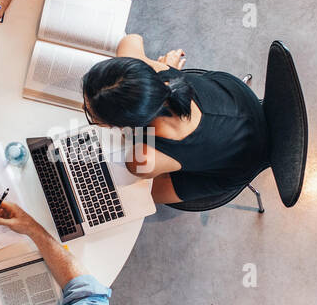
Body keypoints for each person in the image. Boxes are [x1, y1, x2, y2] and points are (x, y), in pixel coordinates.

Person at [81, 37, 270, 205]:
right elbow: (130, 40)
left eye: (92, 116)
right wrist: (158, 67)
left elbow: (139, 161)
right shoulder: (157, 71)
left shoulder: (141, 159)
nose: (84, 109)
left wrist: (134, 134)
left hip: (241, 162)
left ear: (123, 125)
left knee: (135, 196)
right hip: (238, 100)